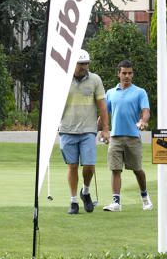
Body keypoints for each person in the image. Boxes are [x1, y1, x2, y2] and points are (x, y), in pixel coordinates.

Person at [58, 49, 109, 215]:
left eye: (87, 63)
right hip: (67, 129)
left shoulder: (95, 80)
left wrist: (105, 128)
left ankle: (85, 191)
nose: (85, 66)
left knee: (89, 166)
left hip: (88, 129)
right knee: (72, 166)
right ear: (74, 63)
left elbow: (102, 106)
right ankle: (73, 202)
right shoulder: (62, 79)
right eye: (81, 64)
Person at [103, 59, 152, 212]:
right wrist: (100, 129)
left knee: (137, 169)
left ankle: (145, 197)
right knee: (115, 169)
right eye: (124, 73)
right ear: (118, 74)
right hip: (115, 137)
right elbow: (105, 114)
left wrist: (143, 121)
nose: (127, 76)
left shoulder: (140, 92)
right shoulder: (110, 93)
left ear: (133, 74)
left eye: (130, 73)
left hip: (133, 137)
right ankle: (116, 202)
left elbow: (146, 111)